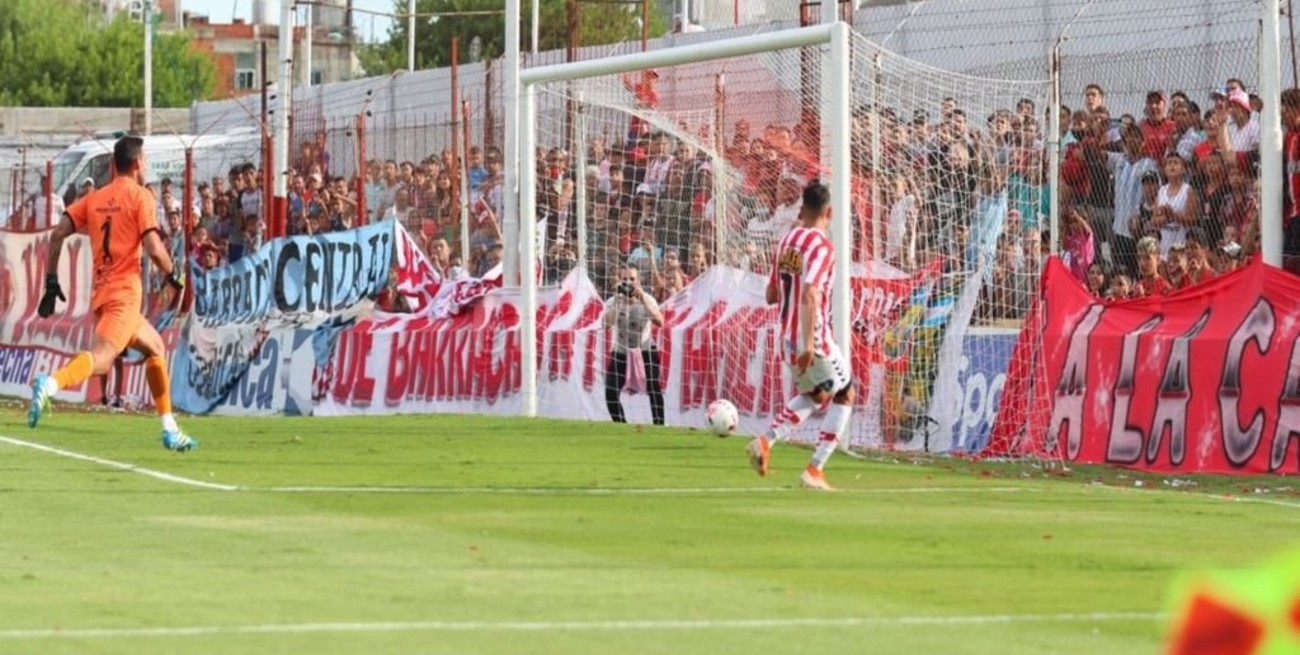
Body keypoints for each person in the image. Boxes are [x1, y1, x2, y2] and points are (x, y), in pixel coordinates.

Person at [27, 136, 197, 452]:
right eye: (145, 160)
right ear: (138, 163)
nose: (146, 165)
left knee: (156, 347)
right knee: (103, 359)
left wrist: (51, 280)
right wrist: (174, 274)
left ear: (112, 165)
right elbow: (153, 246)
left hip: (104, 295)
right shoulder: (140, 196)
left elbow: (57, 234)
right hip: (124, 296)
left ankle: (170, 428)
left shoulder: (95, 198)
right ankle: (50, 384)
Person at [746, 181, 855, 492]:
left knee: (817, 395)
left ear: (801, 209)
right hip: (813, 338)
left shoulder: (786, 240)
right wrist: (808, 345)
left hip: (786, 336)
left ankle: (765, 441)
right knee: (845, 393)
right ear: (829, 212)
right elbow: (809, 293)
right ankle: (814, 469)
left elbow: (771, 294)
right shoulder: (822, 247)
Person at [603, 266, 665, 426]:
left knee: (654, 387)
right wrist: (618, 302)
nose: (628, 283)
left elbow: (660, 321)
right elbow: (607, 326)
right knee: (610, 391)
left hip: (644, 349)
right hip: (622, 351)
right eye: (624, 279)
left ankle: (659, 425)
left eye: (632, 279)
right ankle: (621, 425)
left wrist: (642, 299)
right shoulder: (614, 301)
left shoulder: (648, 299)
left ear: (639, 281)